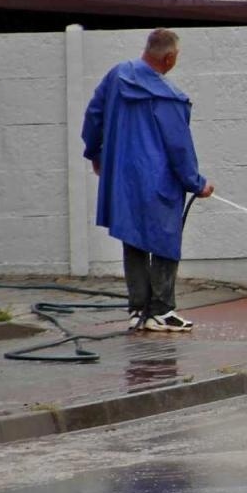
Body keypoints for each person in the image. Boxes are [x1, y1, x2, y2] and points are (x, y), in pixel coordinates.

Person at [82, 28, 214, 333]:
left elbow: (94, 116)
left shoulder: (117, 76)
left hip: (123, 179)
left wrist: (95, 153)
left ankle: (138, 310)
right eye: (176, 56)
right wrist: (197, 183)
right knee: (166, 242)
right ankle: (161, 312)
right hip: (159, 181)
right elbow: (178, 148)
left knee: (135, 238)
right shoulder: (169, 98)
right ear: (168, 58)